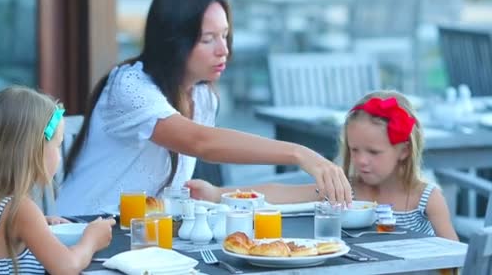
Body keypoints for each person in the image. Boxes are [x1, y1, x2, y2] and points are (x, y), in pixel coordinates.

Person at [56, 0, 351, 216]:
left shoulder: (202, 95)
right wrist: (300, 153)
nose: (223, 49)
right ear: (175, 42)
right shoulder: (130, 86)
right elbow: (201, 143)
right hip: (80, 234)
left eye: (225, 35)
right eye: (208, 39)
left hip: (142, 238)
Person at [186, 90, 459, 240]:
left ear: (403, 151)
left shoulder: (425, 198)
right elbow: (280, 193)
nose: (361, 160)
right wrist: (216, 192)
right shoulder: (346, 190)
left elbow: (454, 260)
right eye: (354, 149)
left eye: (374, 152)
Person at [0, 86, 115, 275]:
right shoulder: (20, 209)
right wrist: (91, 239)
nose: (60, 156)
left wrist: (40, 223)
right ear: (33, 150)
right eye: (57, 145)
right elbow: (67, 267)